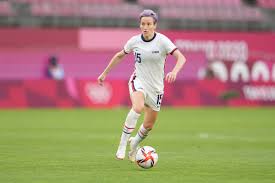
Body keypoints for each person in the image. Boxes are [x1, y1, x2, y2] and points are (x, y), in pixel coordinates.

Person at [97, 9, 186, 162]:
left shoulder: (163, 41)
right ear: (140, 25)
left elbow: (181, 58)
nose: (145, 27)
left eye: (149, 24)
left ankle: (134, 144)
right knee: (137, 107)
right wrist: (104, 73)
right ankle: (122, 144)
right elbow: (119, 55)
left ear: (155, 26)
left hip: (156, 88)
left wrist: (175, 71)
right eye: (143, 24)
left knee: (149, 125)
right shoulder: (134, 41)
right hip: (138, 80)